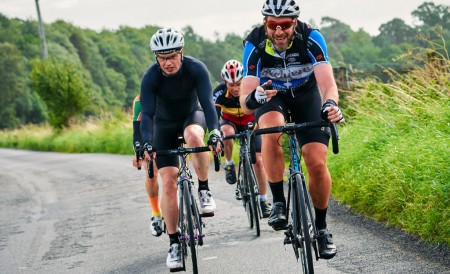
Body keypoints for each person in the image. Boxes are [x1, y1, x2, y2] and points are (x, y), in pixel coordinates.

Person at [239, 0, 344, 260]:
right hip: (272, 95)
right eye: (272, 25)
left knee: (316, 163)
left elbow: (328, 84)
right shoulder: (253, 42)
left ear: (294, 23)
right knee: (271, 128)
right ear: (265, 23)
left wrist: (330, 103)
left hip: (306, 95)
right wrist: (257, 96)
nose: (278, 31)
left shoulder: (311, 37)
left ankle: (321, 229)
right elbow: (245, 100)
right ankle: (278, 202)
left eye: (285, 25)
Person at [140, 28, 222, 271]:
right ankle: (174, 242)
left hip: (190, 115)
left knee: (195, 136)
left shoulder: (196, 68)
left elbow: (208, 103)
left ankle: (204, 190)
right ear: (156, 58)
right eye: (162, 58)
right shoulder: (151, 77)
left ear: (181, 53)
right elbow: (146, 114)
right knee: (168, 181)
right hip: (163, 124)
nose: (168, 62)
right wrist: (146, 142)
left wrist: (215, 131)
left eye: (172, 56)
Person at [213, 59, 272, 218]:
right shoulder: (218, 93)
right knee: (225, 131)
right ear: (224, 82)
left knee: (258, 161)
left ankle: (263, 201)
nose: (235, 88)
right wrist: (215, 135)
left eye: (239, 84)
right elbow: (215, 117)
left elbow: (262, 109)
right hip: (229, 122)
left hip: (250, 122)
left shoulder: (252, 88)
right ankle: (230, 164)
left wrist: (258, 125)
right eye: (231, 85)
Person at [131, 94, 163, 237]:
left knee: (177, 174)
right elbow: (137, 130)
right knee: (152, 175)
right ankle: (156, 214)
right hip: (150, 138)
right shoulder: (140, 99)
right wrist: (138, 151)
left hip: (171, 133)